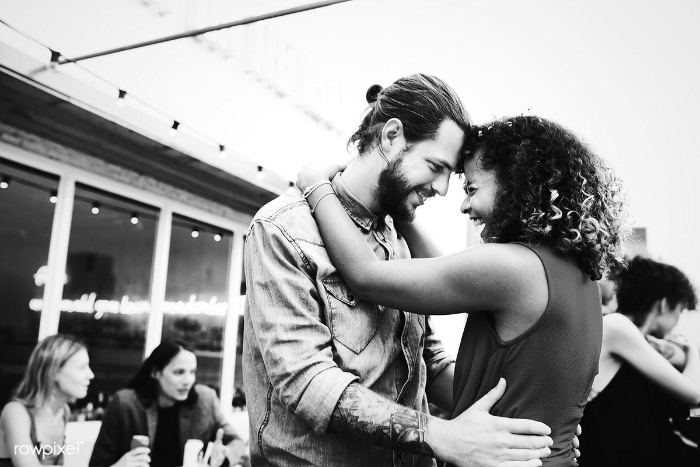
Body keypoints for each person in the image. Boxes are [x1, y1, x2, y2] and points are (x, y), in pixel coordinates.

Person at [244, 74, 556, 467]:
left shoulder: (397, 235)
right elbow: (306, 381)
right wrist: (441, 436)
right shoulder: (282, 228)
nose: (443, 190)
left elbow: (427, 361)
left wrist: (524, 425)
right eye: (435, 166)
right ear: (391, 137)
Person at [296, 115, 627, 466]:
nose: (464, 205)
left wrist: (315, 185)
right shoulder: (577, 275)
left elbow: (365, 274)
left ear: (515, 184)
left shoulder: (512, 268)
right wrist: (401, 205)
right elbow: (444, 269)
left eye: (471, 189)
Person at [578, 256, 700, 466]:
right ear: (664, 304)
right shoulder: (616, 326)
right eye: (679, 310)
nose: (678, 319)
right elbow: (695, 395)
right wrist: (692, 350)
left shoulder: (624, 336)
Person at [90, 341, 247, 467]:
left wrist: (224, 455)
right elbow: (98, 463)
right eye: (179, 372)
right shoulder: (125, 404)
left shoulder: (204, 399)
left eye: (192, 372)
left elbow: (237, 443)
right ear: (155, 373)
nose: (188, 381)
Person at [0, 334, 94, 466]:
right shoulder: (16, 412)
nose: (91, 374)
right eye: (82, 367)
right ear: (53, 372)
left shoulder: (63, 412)